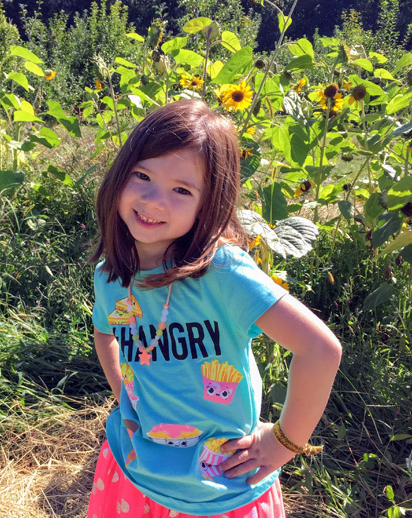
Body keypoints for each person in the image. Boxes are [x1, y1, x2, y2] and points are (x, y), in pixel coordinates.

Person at [87, 99, 342, 517]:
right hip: (135, 473)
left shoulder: (220, 272)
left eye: (181, 190)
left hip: (221, 488)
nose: (153, 200)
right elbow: (105, 334)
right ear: (120, 174)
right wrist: (126, 398)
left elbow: (320, 350)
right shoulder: (112, 274)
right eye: (142, 175)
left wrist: (284, 442)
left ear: (209, 204)